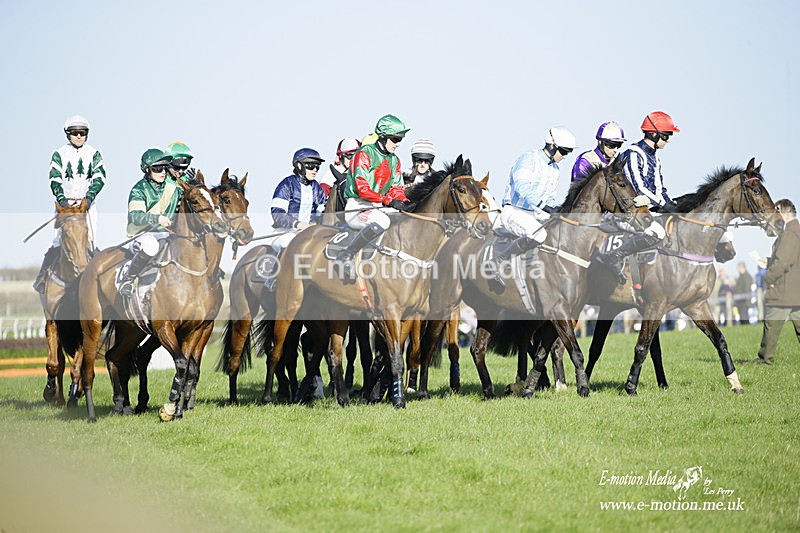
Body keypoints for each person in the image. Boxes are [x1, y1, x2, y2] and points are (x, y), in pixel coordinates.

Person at [486, 126, 577, 287]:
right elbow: (522, 188)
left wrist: (557, 210)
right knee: (540, 236)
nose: (565, 156)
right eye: (563, 151)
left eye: (568, 153)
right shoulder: (528, 159)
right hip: (514, 211)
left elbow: (550, 198)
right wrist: (546, 207)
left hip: (535, 214)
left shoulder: (555, 169)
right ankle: (498, 262)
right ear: (552, 146)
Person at [34, 115, 107, 293]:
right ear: (68, 134)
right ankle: (43, 277)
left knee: (90, 241)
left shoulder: (94, 153)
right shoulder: (59, 153)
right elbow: (54, 179)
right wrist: (62, 201)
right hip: (65, 204)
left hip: (86, 205)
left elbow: (100, 178)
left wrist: (89, 198)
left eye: (83, 133)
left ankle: (99, 283)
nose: (79, 136)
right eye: (75, 133)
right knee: (58, 240)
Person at [337, 114, 414, 280]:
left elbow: (396, 189)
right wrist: (388, 200)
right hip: (357, 206)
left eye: (400, 139)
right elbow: (362, 188)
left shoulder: (395, 161)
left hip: (379, 207)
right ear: (383, 136)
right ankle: (346, 254)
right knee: (383, 221)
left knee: (407, 220)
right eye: (395, 139)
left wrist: (406, 203)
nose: (398, 144)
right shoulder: (364, 154)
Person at [119, 149, 180, 296]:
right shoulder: (138, 190)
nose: (163, 172)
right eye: (157, 168)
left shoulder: (173, 189)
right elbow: (136, 216)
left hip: (165, 234)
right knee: (151, 247)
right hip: (141, 234)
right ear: (147, 170)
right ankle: (127, 279)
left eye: (165, 168)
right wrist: (157, 218)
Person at [754, 199, 800, 364]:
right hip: (796, 290)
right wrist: (769, 260)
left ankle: (765, 360)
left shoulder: (789, 233)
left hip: (784, 291)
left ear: (785, 213)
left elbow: (782, 262)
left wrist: (767, 278)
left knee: (771, 326)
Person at [267, 148, 328, 257]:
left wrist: (317, 222)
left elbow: (321, 212)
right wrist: (298, 224)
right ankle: (273, 271)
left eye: (317, 166)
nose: (315, 170)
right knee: (290, 242)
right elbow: (277, 213)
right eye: (310, 166)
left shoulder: (317, 188)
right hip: (285, 232)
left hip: (309, 233)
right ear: (299, 166)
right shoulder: (287, 184)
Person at [623, 111, 681, 213]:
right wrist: (663, 205)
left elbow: (659, 189)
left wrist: (671, 205)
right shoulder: (633, 154)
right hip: (630, 213)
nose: (667, 140)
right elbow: (639, 189)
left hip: (649, 209)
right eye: (665, 136)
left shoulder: (655, 158)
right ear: (653, 134)